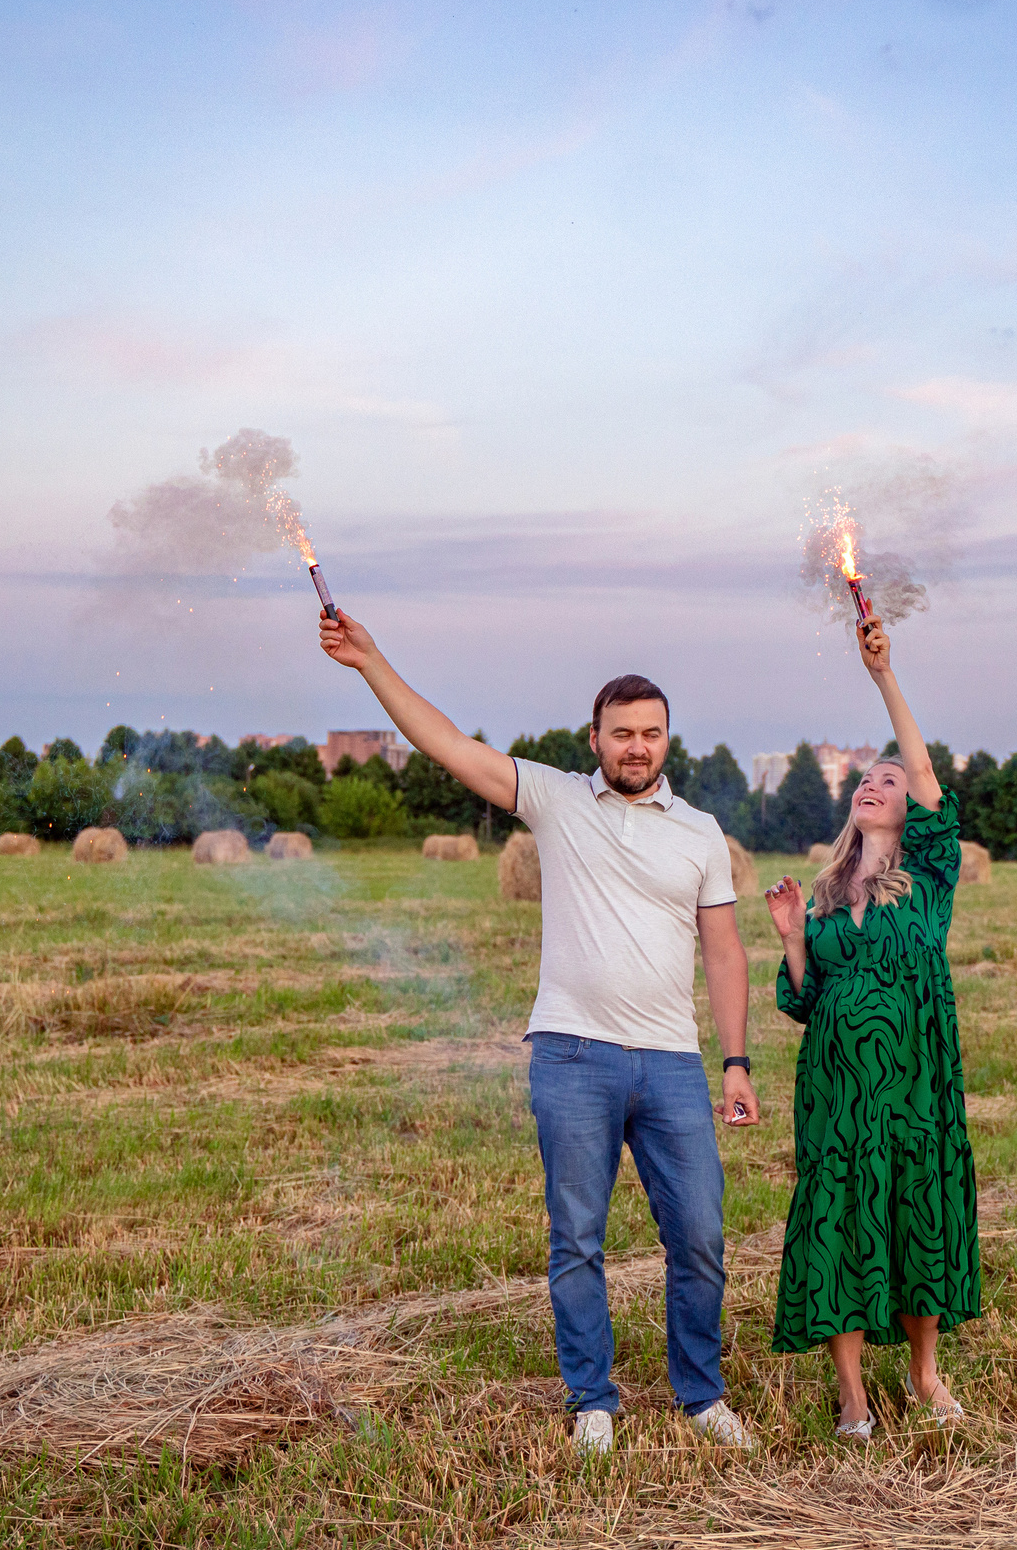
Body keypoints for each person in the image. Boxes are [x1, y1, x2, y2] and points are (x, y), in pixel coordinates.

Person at [319, 606, 758, 1457]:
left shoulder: (702, 833)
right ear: (592, 738)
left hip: (673, 1062)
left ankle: (701, 1394)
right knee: (576, 1237)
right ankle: (592, 1396)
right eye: (622, 732)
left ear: (669, 741)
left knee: (700, 1235)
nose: (638, 747)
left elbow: (727, 952)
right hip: (572, 1053)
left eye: (652, 734)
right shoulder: (556, 800)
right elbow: (448, 743)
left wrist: (736, 1060)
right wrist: (371, 661)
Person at [763, 617, 979, 1438]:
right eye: (867, 776)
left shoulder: (930, 874)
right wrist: (790, 938)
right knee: (841, 1214)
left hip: (915, 1082)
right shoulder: (823, 895)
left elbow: (925, 771)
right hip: (837, 1091)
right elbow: (805, 1000)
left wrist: (884, 676)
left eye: (888, 778)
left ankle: (925, 1374)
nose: (876, 781)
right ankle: (853, 1394)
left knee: (918, 1205)